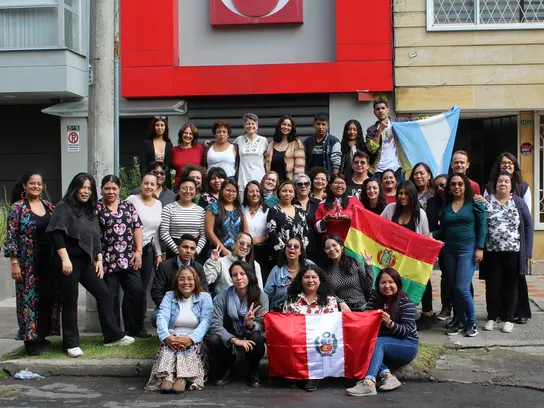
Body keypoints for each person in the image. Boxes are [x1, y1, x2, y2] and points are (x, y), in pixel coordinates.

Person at [47, 173, 133, 358]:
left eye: (89, 188)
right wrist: (65, 259)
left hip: (86, 260)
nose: (86, 191)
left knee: (104, 293)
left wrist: (99, 259)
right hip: (67, 260)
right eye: (83, 187)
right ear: (75, 188)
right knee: (71, 300)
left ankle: (113, 336)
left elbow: (95, 235)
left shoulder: (89, 209)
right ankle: (71, 343)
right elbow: (56, 233)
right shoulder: (63, 207)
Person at [4, 170, 59, 355]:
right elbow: (11, 236)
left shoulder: (49, 207)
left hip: (48, 261)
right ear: (24, 186)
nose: (36, 186)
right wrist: (14, 262)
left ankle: (42, 335)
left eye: (39, 184)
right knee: (28, 301)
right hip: (27, 264)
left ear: (43, 187)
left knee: (47, 298)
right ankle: (31, 340)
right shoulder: (17, 208)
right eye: (32, 183)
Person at [346, 268, 418, 397]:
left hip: (407, 345)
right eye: (383, 282)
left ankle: (369, 383)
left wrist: (390, 323)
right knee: (362, 344)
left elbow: (407, 331)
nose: (387, 286)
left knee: (377, 343)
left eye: (391, 282)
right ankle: (388, 376)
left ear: (397, 283)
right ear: (378, 284)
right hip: (382, 344)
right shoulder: (375, 298)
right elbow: (366, 318)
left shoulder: (406, 302)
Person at [432, 173, 486, 337]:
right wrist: (432, 235)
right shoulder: (447, 205)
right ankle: (460, 321)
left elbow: (482, 226)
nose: (456, 187)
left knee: (462, 287)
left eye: (460, 184)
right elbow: (444, 229)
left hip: (467, 249)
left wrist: (480, 248)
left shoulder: (474, 203)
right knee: (454, 287)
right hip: (449, 250)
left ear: (465, 186)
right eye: (453, 184)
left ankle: (472, 323)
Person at [483, 152, 532, 324]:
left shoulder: (522, 188)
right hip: (493, 249)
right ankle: (497, 314)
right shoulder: (489, 188)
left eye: (510, 163)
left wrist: (527, 250)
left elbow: (527, 221)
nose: (506, 165)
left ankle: (519, 313)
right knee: (495, 283)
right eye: (503, 163)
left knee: (516, 281)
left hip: (515, 247)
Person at [146, 266, 213, 393]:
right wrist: (167, 337)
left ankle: (183, 377)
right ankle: (168, 376)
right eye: (182, 279)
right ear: (177, 282)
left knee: (190, 348)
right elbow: (162, 317)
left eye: (189, 279)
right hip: (173, 336)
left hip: (195, 338)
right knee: (168, 347)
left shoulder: (205, 297)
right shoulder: (169, 296)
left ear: (195, 280)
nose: (186, 282)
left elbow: (206, 321)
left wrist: (191, 338)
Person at [97, 175, 149, 338]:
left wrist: (138, 251)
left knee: (137, 291)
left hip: (129, 258)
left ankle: (135, 328)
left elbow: (137, 228)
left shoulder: (128, 205)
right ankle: (115, 332)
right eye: (107, 188)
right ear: (101, 189)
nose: (110, 192)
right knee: (111, 296)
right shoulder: (96, 208)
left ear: (119, 189)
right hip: (107, 259)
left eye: (114, 188)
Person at [206, 261, 269, 388]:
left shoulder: (261, 297)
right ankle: (226, 367)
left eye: (242, 274)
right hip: (230, 336)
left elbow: (263, 325)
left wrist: (250, 325)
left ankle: (254, 370)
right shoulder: (223, 296)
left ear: (249, 275)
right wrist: (234, 340)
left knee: (257, 336)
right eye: (234, 275)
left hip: (250, 336)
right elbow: (215, 324)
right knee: (213, 339)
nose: (238, 278)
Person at [283, 265, 339, 392]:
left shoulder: (330, 300)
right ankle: (298, 374)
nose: (310, 280)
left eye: (314, 277)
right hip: (298, 338)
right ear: (301, 280)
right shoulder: (291, 299)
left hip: (319, 339)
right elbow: (285, 323)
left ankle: (314, 376)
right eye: (306, 277)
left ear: (320, 280)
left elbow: (332, 326)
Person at [126, 172, 163, 326]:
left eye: (152, 184)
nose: (149, 187)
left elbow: (155, 231)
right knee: (133, 288)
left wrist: (158, 253)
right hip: (131, 249)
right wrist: (135, 250)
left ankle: (139, 325)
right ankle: (129, 325)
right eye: (146, 183)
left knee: (142, 288)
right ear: (141, 184)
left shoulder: (158, 204)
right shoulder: (132, 200)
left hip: (148, 250)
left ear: (156, 186)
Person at [151, 235, 209, 327]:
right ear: (178, 248)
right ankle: (169, 333)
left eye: (192, 248)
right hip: (170, 304)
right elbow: (156, 291)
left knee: (207, 317)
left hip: (192, 305)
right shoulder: (165, 266)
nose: (188, 251)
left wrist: (191, 306)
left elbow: (204, 290)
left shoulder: (198, 267)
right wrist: (169, 306)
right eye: (185, 247)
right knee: (156, 317)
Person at [420, 174, 450, 328]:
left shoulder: (456, 200)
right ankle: (445, 307)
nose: (440, 188)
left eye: (443, 185)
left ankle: (460, 311)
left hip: (452, 243)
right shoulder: (431, 201)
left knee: (455, 278)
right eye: (437, 186)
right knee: (441, 276)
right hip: (434, 243)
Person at [323, 235, 374, 312]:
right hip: (343, 311)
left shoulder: (355, 263)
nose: (331, 249)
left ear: (341, 246)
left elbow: (368, 286)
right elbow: (327, 292)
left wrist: (368, 266)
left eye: (334, 245)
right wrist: (340, 301)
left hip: (362, 308)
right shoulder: (325, 271)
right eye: (327, 248)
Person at [365, 99, 412, 181]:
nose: (380, 111)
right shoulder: (371, 130)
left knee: (400, 189)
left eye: (383, 108)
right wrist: (379, 130)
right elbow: (371, 149)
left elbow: (416, 122)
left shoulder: (398, 123)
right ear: (374, 113)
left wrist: (433, 119)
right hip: (378, 171)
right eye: (378, 109)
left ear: (388, 110)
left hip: (397, 168)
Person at [161, 176, 206, 259]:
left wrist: (195, 251)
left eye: (191, 189)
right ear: (178, 191)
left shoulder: (201, 211)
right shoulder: (168, 208)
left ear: (195, 191)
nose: (188, 191)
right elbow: (164, 233)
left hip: (194, 252)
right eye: (184, 188)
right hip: (174, 250)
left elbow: (204, 235)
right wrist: (178, 251)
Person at [265, 237, 314, 311]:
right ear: (285, 250)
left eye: (296, 246)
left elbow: (322, 283)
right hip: (280, 313)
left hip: (305, 312)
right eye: (289, 245)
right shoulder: (276, 270)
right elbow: (266, 295)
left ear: (301, 251)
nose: (292, 247)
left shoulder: (309, 265)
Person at [266, 180, 309, 261]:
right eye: (284, 191)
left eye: (290, 191)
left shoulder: (300, 210)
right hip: (280, 255)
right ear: (279, 193)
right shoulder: (273, 210)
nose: (287, 194)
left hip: (299, 255)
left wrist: (301, 248)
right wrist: (286, 250)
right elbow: (272, 232)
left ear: (294, 193)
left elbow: (306, 232)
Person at [315, 174, 361, 242]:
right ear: (330, 186)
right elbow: (317, 229)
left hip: (350, 243)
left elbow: (362, 221)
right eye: (336, 183)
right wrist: (325, 220)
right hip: (330, 244)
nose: (339, 186)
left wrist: (349, 219)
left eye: (342, 183)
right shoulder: (322, 204)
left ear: (346, 186)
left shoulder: (354, 201)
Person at [205, 179, 245, 257]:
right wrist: (223, 250)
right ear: (222, 190)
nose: (231, 193)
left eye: (234, 191)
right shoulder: (213, 207)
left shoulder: (240, 208)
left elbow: (244, 230)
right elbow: (209, 232)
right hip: (217, 252)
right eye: (228, 190)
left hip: (236, 252)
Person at [233, 113, 268, 194]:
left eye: (253, 123)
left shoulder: (263, 140)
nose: (250, 126)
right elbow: (227, 148)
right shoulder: (238, 140)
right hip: (243, 179)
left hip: (259, 178)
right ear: (244, 126)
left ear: (257, 126)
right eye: (248, 123)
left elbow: (268, 159)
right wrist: (211, 144)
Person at [242, 181, 269, 282]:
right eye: (251, 191)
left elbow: (271, 232)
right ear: (246, 194)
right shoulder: (241, 210)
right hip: (245, 250)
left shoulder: (267, 211)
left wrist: (260, 239)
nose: (255, 194)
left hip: (262, 250)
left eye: (257, 191)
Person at [265, 115, 305, 182]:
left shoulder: (296, 143)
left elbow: (299, 169)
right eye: (284, 124)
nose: (286, 127)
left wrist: (295, 184)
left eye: (289, 125)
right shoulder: (271, 145)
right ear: (279, 126)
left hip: (289, 185)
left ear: (292, 128)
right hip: (273, 184)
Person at [293, 173, 321, 264]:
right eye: (299, 184)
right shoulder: (290, 203)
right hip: (296, 246)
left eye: (306, 183)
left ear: (310, 186)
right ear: (295, 187)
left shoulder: (318, 203)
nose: (303, 186)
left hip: (315, 245)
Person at [141, 117, 173, 189]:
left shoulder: (169, 144)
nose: (159, 127)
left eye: (162, 125)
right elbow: (143, 163)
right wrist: (144, 178)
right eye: (157, 125)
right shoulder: (147, 143)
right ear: (153, 127)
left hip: (164, 179)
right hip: (150, 177)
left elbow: (169, 164)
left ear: (165, 127)